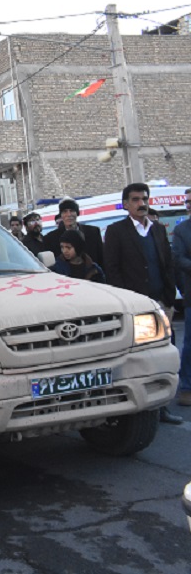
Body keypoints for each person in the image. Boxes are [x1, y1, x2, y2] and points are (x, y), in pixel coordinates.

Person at [104, 182, 181, 425]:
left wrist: (169, 298)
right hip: (134, 307)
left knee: (163, 355)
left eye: (145, 199)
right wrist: (125, 302)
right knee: (139, 360)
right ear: (126, 204)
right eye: (136, 199)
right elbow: (112, 269)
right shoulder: (117, 231)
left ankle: (163, 406)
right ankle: (139, 410)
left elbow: (167, 264)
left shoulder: (157, 229)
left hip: (160, 303)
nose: (142, 204)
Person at [44, 198, 105, 268]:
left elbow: (101, 258)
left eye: (72, 211)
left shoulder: (93, 232)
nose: (69, 214)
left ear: (77, 213)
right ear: (61, 215)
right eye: (65, 211)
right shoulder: (51, 238)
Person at [172, 188, 191, 407]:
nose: (189, 205)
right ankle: (187, 388)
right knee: (190, 344)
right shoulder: (182, 230)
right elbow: (178, 258)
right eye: (187, 201)